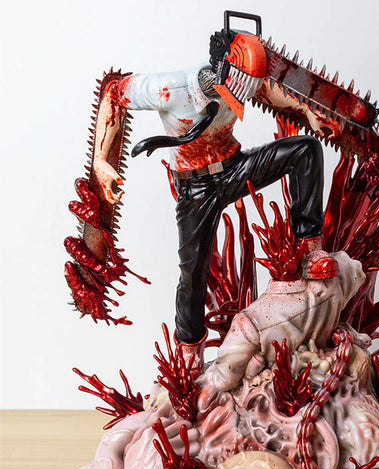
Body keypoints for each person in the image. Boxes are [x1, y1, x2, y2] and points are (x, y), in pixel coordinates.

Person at [92, 14, 338, 368]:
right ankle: (189, 349)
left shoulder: (245, 81)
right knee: (192, 272)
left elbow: (277, 96)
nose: (248, 94)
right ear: (224, 71)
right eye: (244, 86)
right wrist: (102, 161)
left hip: (234, 167)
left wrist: (312, 116)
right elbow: (114, 92)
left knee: (305, 150)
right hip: (196, 188)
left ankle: (310, 249)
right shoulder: (169, 89)